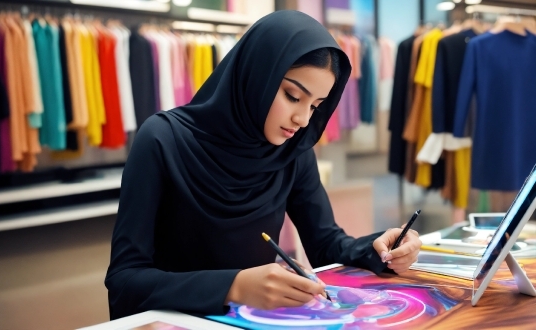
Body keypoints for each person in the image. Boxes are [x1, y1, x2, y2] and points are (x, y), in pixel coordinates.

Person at [105, 10, 421, 320]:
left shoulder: (292, 151)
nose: (303, 118)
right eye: (292, 95)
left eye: (315, 106)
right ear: (257, 76)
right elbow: (125, 280)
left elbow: (325, 244)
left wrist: (378, 249)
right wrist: (233, 286)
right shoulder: (162, 140)